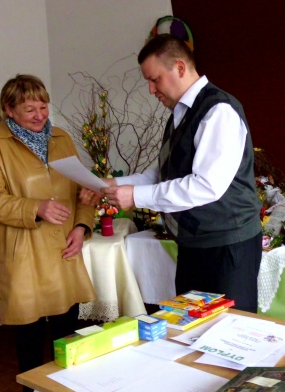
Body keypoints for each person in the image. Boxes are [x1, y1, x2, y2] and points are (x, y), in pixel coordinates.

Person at [103, 34, 262, 312]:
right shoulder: (180, 114)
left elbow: (206, 186)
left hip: (227, 245)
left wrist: (136, 196)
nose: (151, 89)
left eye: (155, 79)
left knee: (228, 329)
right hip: (194, 244)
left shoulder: (219, 110)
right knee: (190, 325)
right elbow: (163, 174)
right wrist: (114, 184)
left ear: (179, 67)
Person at [0, 74, 97, 392]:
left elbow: (82, 191)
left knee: (67, 334)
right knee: (29, 338)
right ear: (8, 110)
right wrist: (35, 208)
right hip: (22, 255)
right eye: (30, 109)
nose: (40, 115)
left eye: (43, 107)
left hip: (63, 250)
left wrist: (82, 227)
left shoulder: (61, 137)